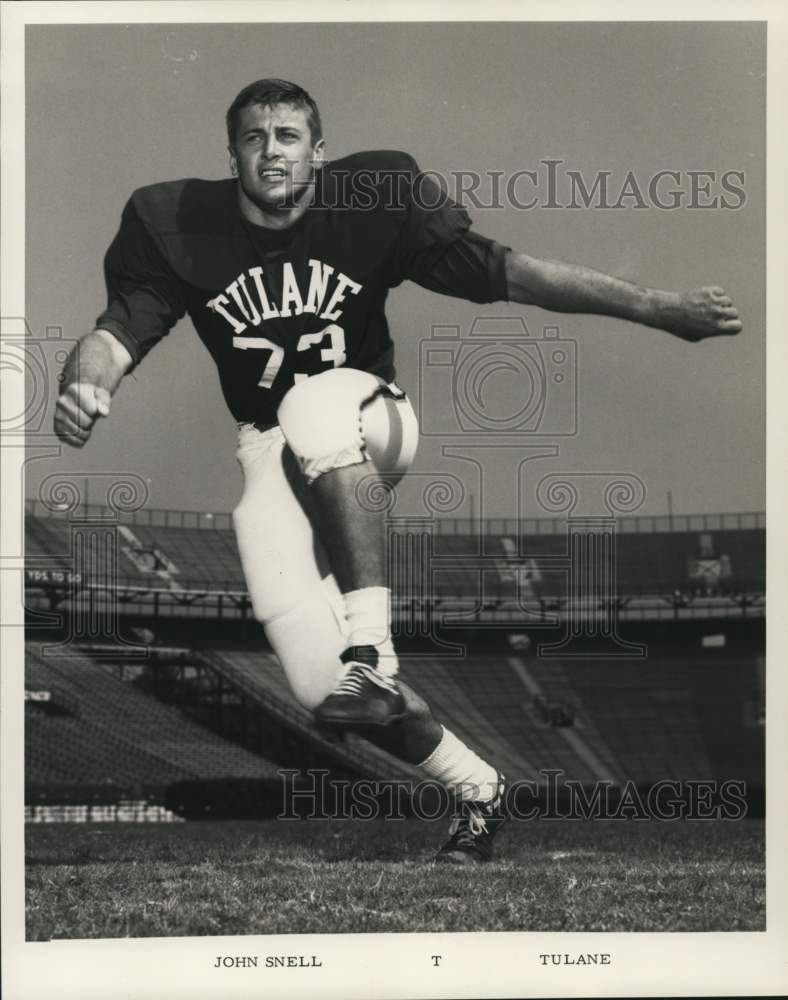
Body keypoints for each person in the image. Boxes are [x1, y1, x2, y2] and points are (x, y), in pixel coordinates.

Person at [53, 79, 742, 864]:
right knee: (321, 691)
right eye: (254, 137)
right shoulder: (173, 222)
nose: (271, 150)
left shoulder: (372, 198)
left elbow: (514, 274)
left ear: (319, 149)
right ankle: (477, 789)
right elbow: (115, 334)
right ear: (232, 153)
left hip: (371, 413)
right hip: (267, 448)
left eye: (288, 135)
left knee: (314, 409)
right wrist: (86, 385)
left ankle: (373, 650)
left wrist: (656, 308)